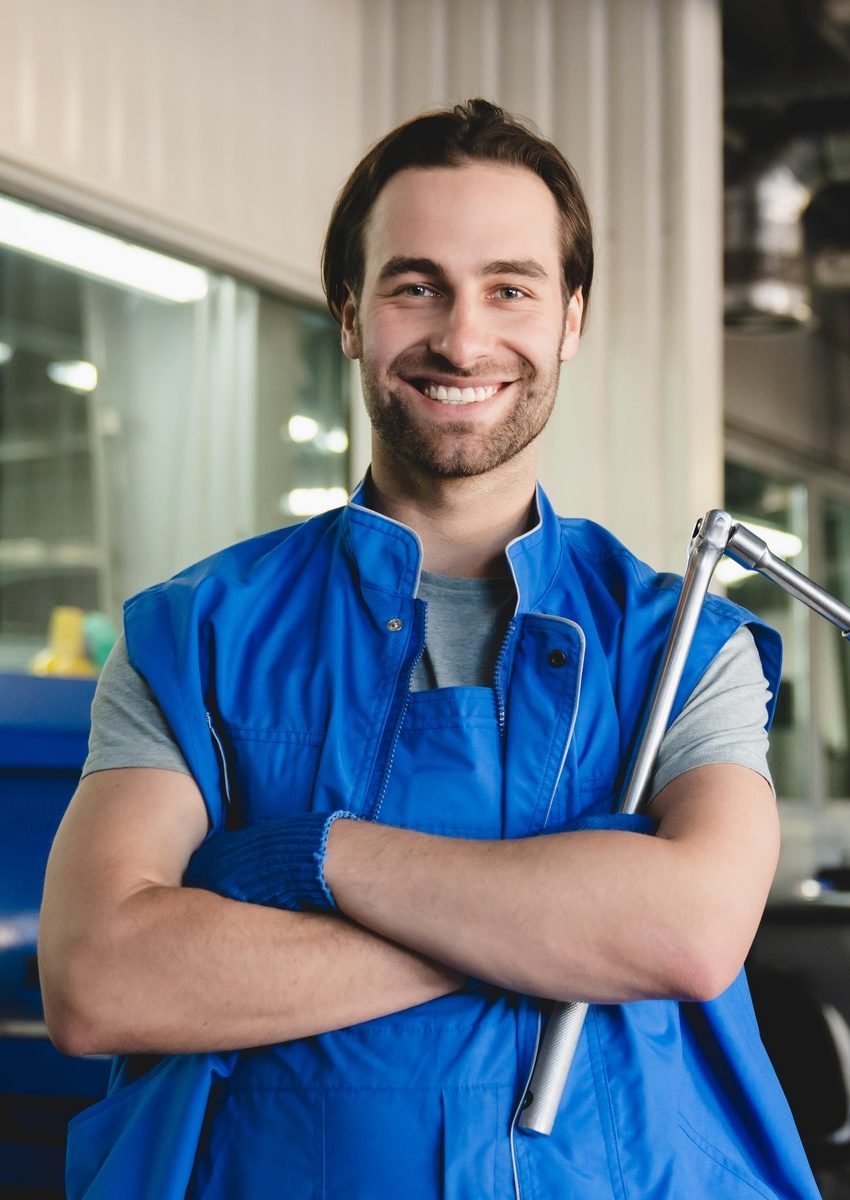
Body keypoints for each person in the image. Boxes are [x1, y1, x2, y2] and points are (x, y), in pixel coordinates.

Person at [40, 99, 819, 1199]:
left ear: (570, 319)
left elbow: (686, 931)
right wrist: (559, 925)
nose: (461, 339)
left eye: (510, 288)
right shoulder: (195, 636)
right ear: (351, 314)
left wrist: (310, 860)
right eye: (417, 286)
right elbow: (99, 980)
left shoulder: (679, 644)